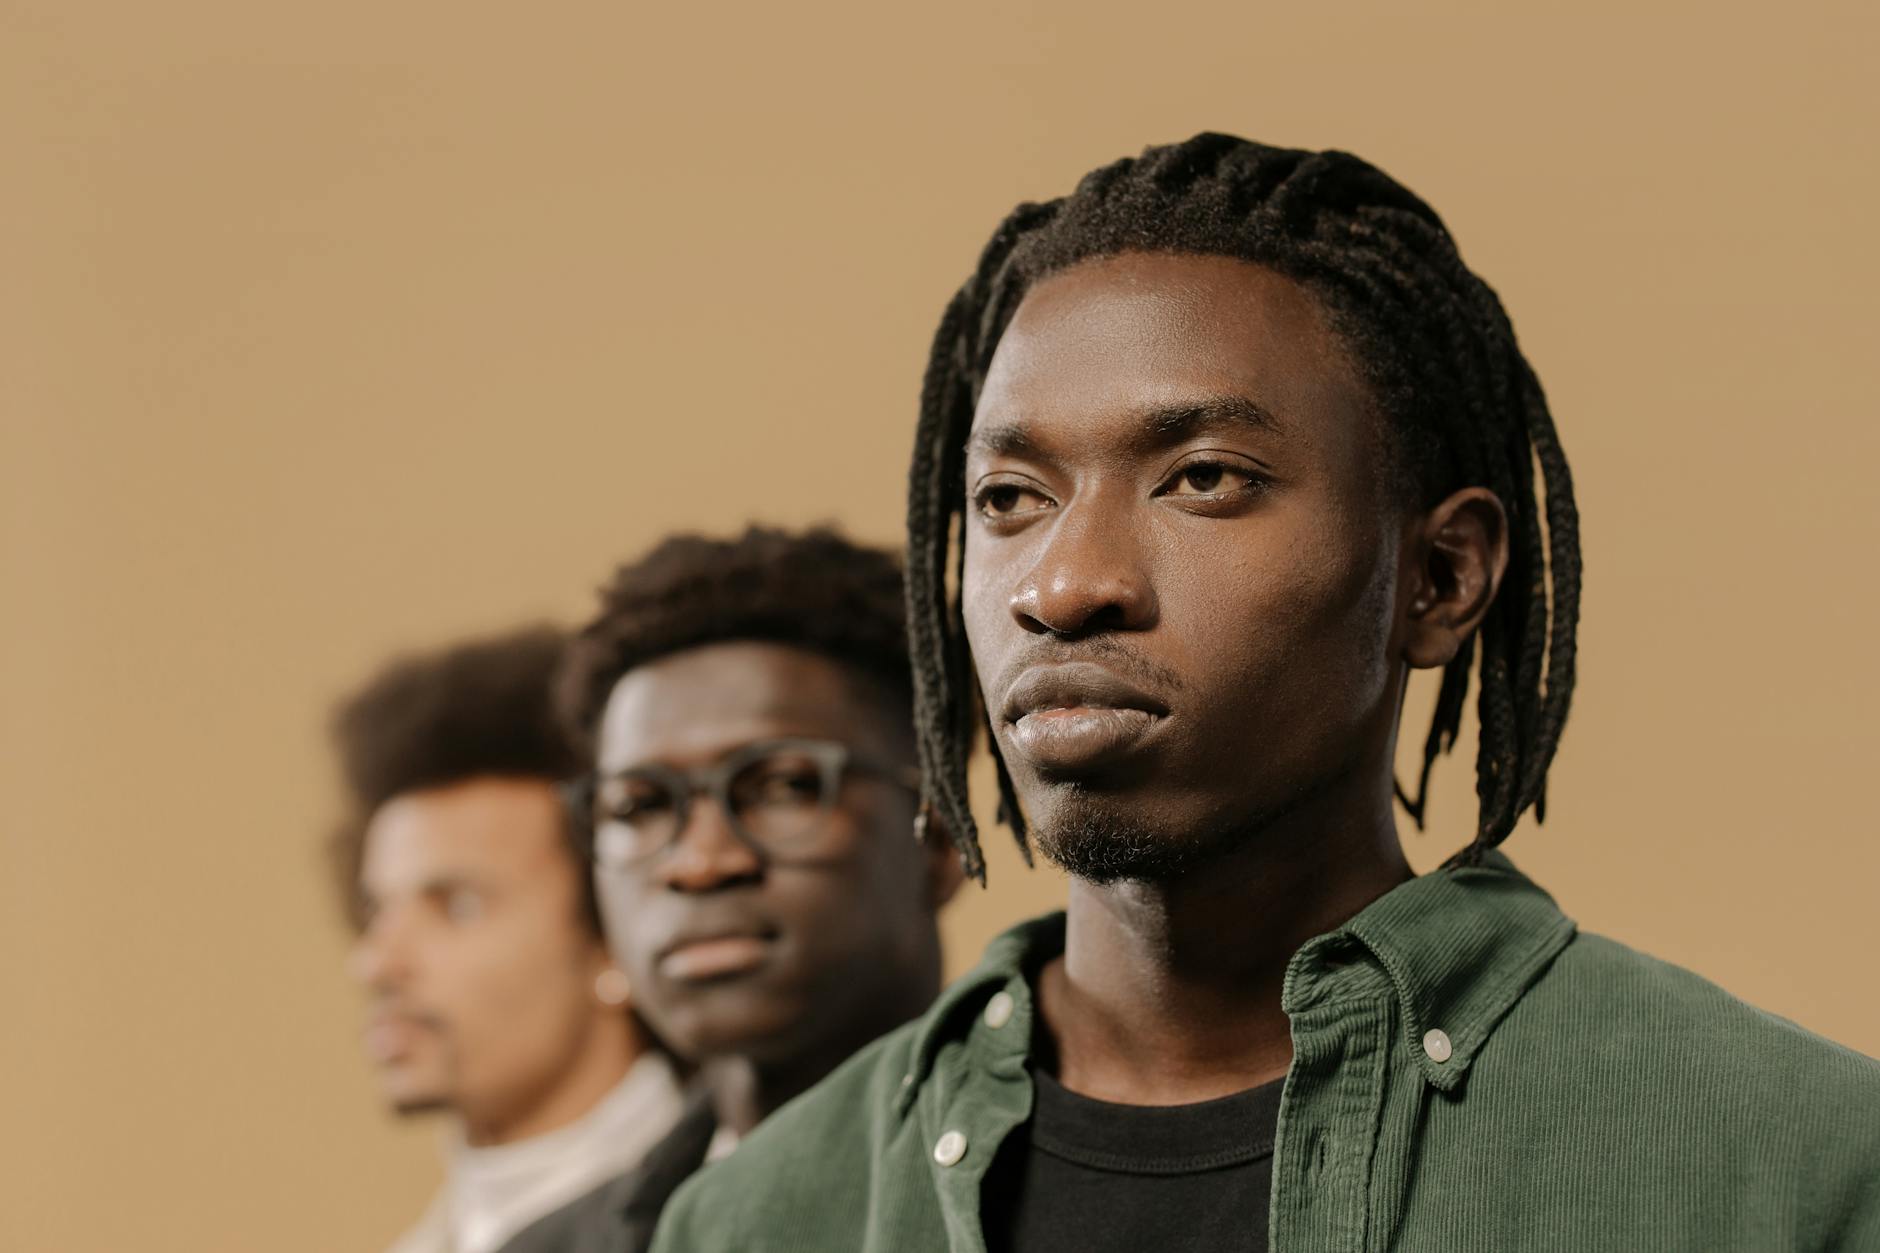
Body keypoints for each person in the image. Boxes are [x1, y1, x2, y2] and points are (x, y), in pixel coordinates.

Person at [647, 135, 1880, 1252]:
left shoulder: (1791, 1167)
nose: (1065, 585)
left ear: (1438, 578)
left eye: (1202, 479)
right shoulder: (759, 1219)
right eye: (1009, 498)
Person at [495, 528, 963, 1253]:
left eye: (781, 787)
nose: (700, 862)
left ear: (938, 840)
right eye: (638, 806)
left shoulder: (1049, 1184)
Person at [333, 627, 684, 1253]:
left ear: (613, 940)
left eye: (456, 906)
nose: (377, 963)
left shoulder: (729, 1213)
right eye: (376, 909)